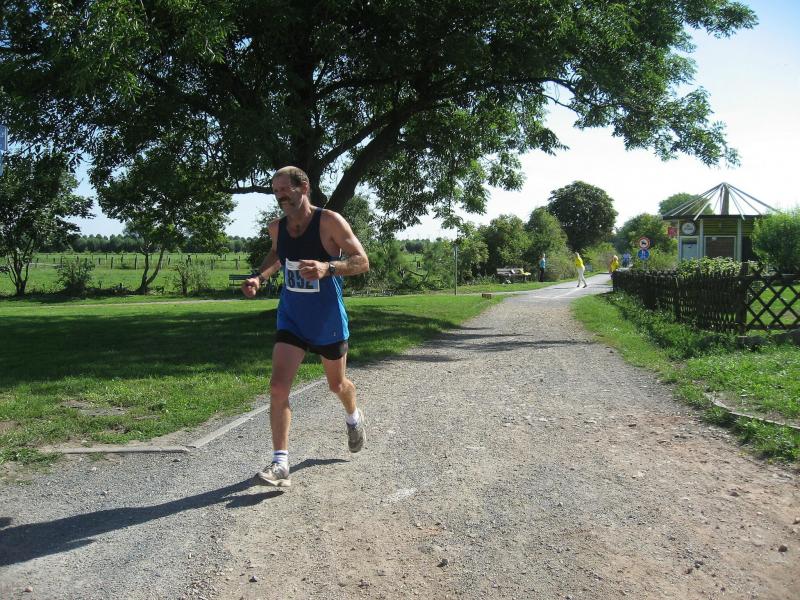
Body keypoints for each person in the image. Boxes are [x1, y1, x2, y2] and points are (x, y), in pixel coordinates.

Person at [241, 166, 370, 488]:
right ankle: (280, 463)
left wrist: (328, 267)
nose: (280, 196)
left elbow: (361, 261)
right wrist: (259, 277)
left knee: (337, 385)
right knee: (277, 387)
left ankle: (353, 416)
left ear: (304, 187)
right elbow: (277, 254)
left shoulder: (329, 221)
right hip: (292, 318)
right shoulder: (277, 227)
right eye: (276, 191)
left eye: (285, 189)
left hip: (327, 319)